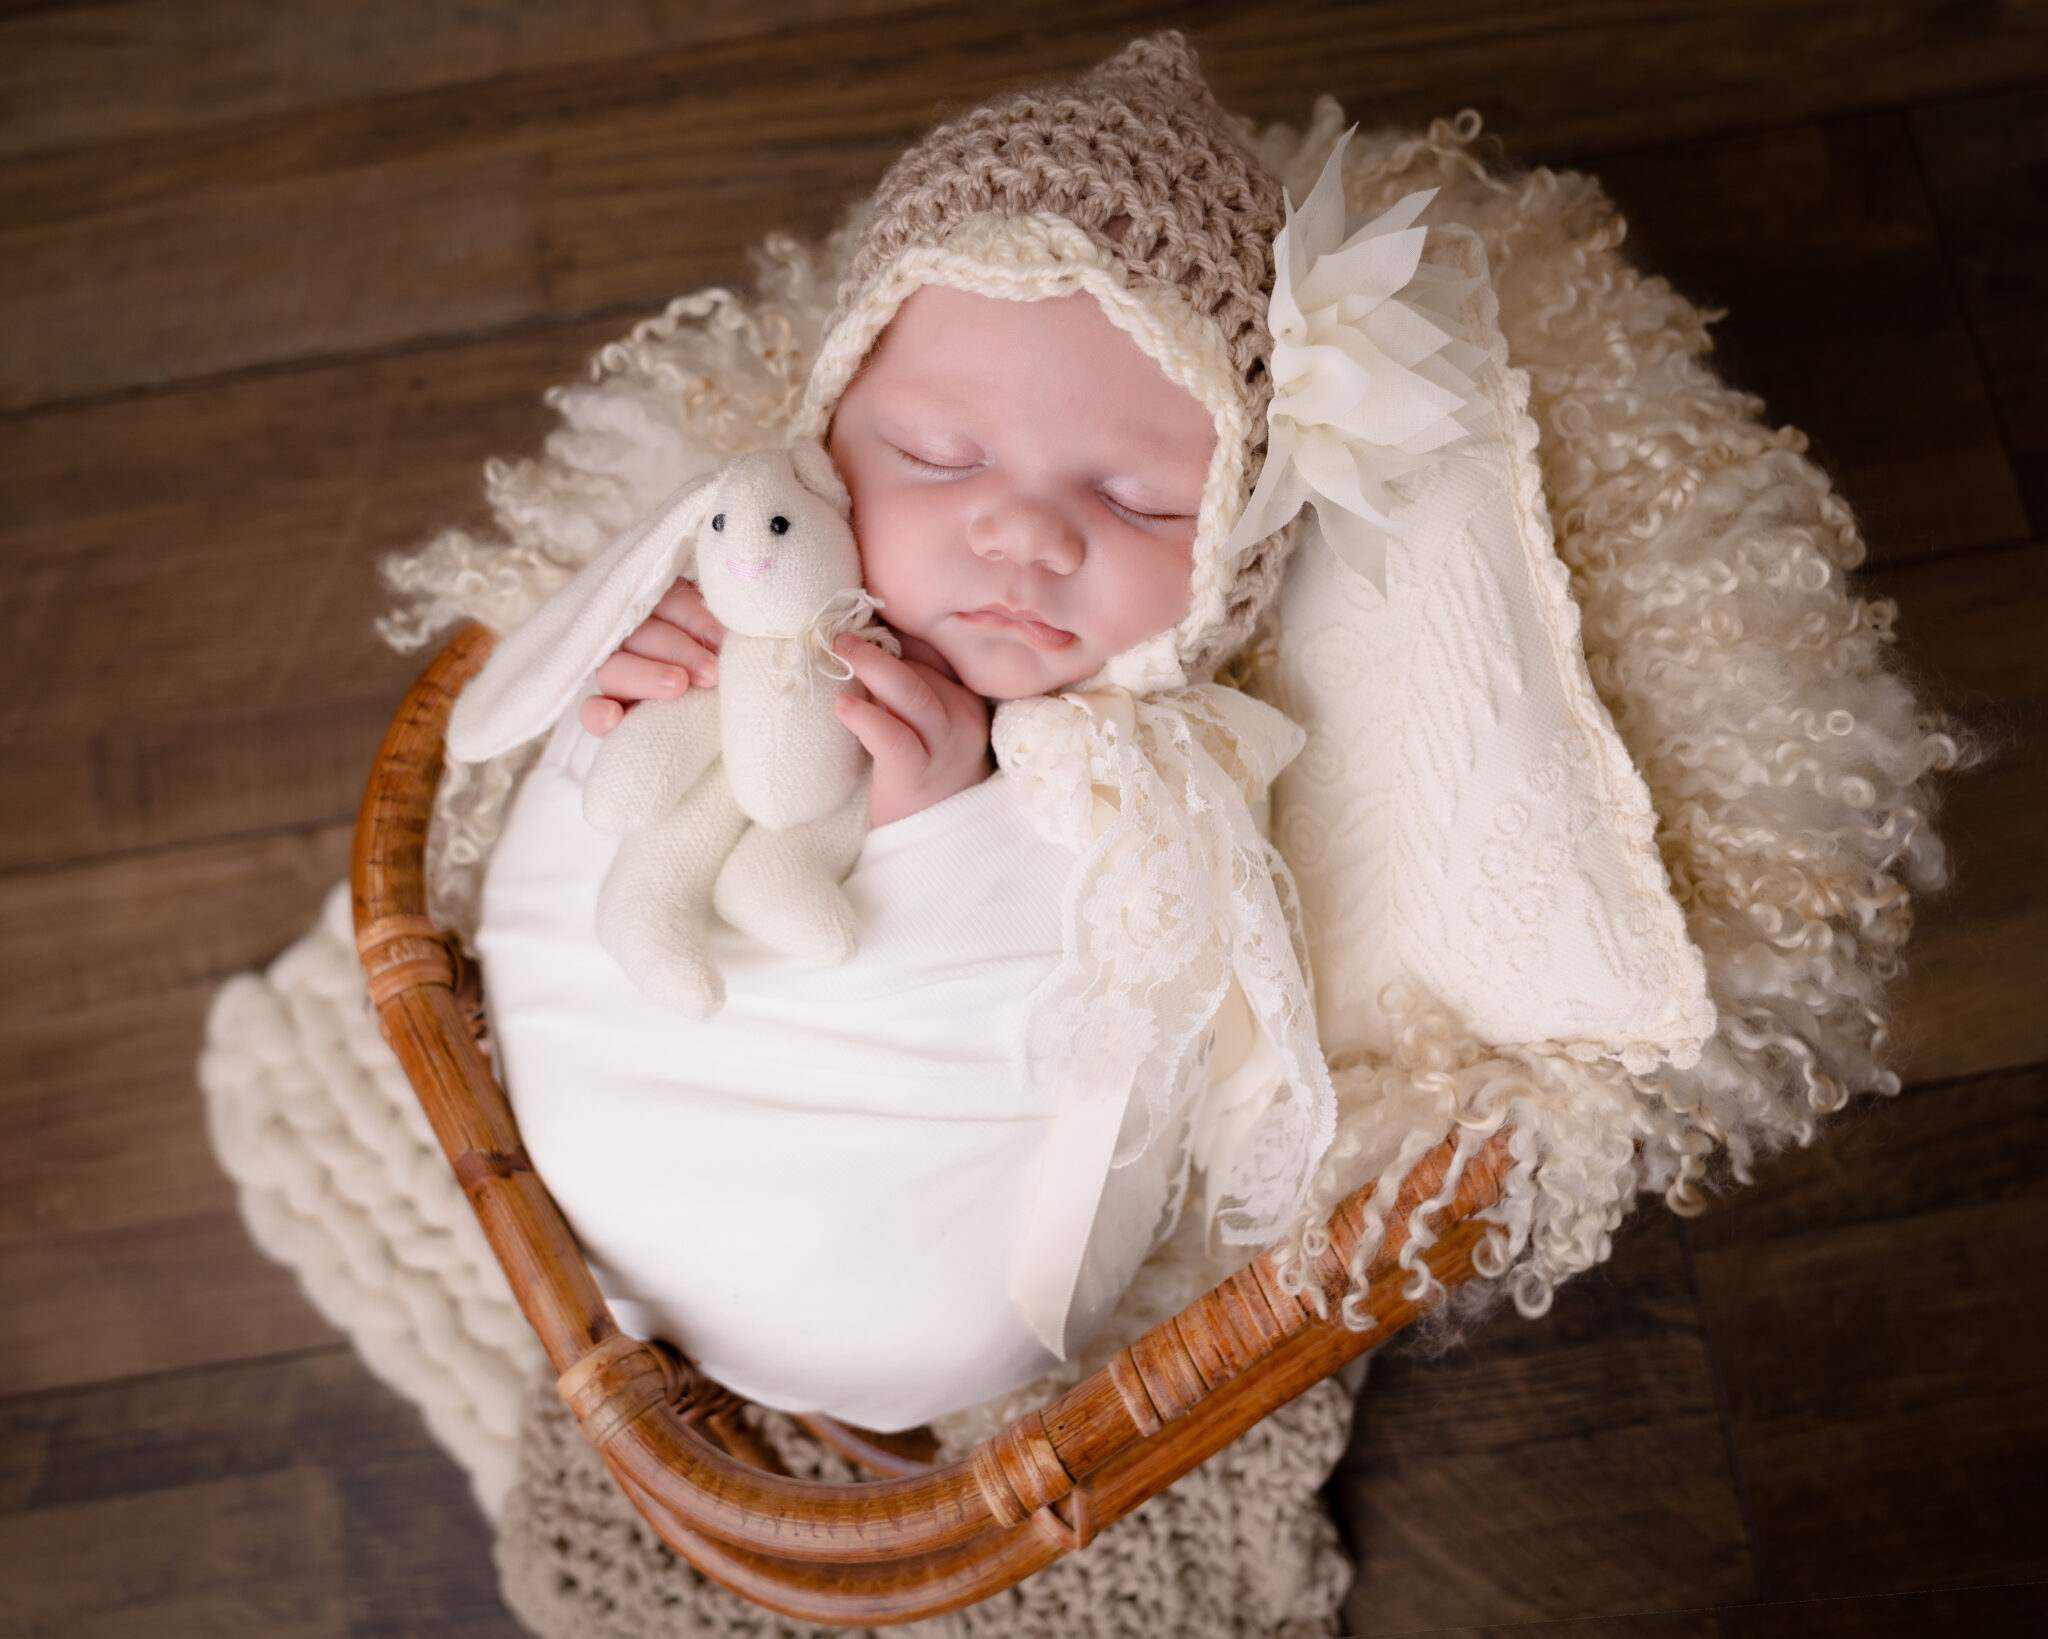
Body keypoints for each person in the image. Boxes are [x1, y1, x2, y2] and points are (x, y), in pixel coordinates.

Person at [471, 33, 1339, 1434]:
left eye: (1139, 501)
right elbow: (554, 756)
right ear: (829, 435)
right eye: (940, 458)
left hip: (908, 1291)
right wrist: (625, 699)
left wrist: (949, 821)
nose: (1024, 533)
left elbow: (1144, 1007)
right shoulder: (761, 573)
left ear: (1238, 538)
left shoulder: (1163, 760)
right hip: (586, 1131)